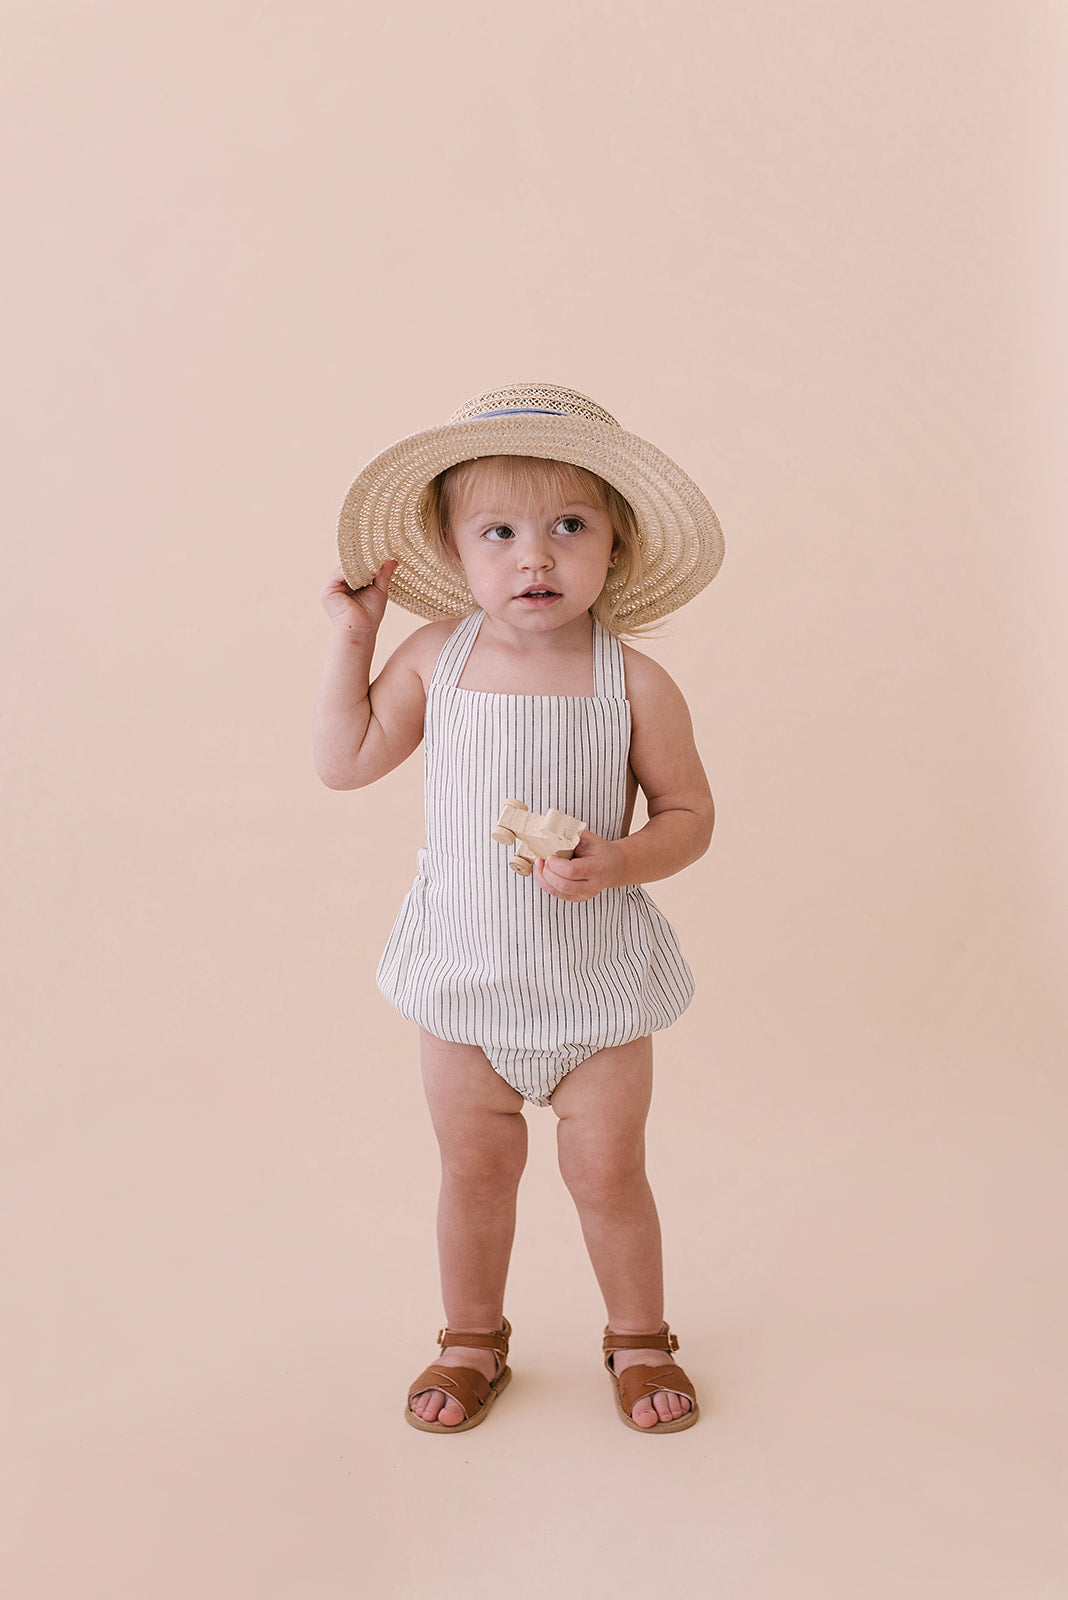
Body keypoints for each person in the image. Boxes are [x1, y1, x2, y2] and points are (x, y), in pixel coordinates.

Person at [313, 383, 724, 1434]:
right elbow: (345, 760)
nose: (533, 558)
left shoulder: (631, 681)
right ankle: (471, 1337)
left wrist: (620, 857)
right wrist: (350, 642)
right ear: (457, 552)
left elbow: (689, 814)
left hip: (594, 988)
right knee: (474, 1170)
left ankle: (638, 1336)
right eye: (499, 532)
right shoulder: (432, 660)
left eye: (568, 528)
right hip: (464, 979)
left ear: (616, 548)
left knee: (609, 1172)